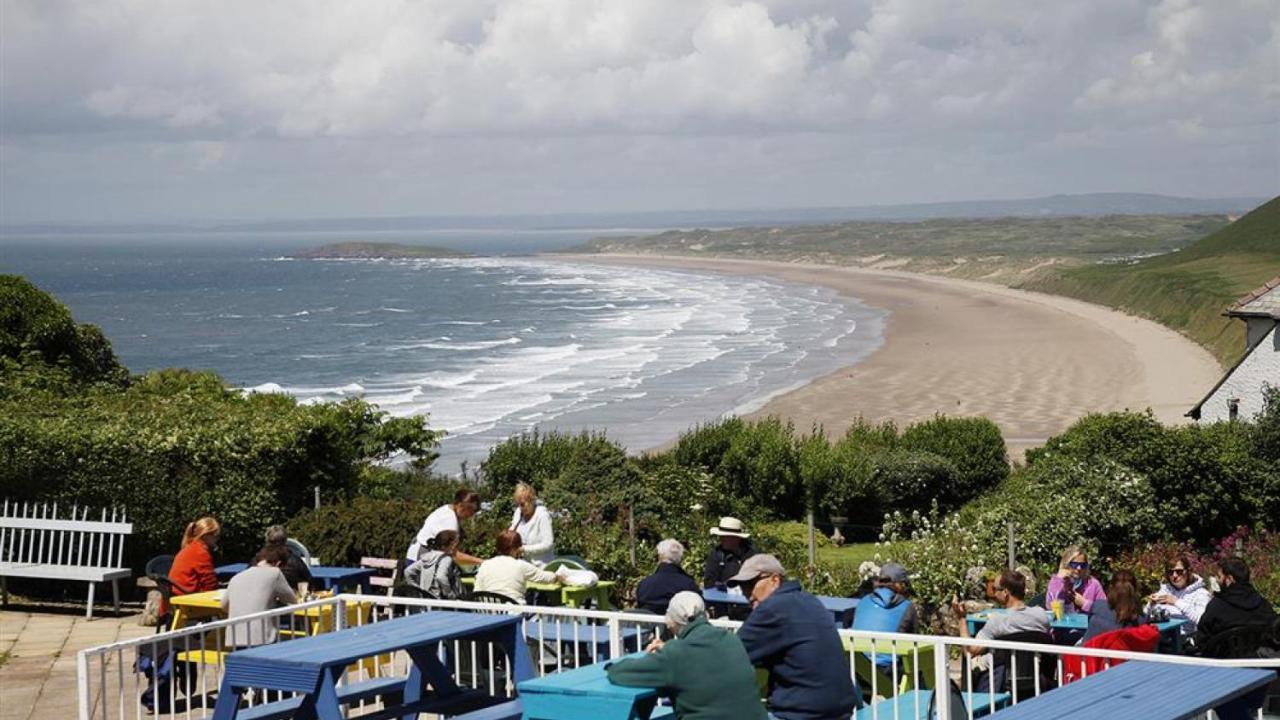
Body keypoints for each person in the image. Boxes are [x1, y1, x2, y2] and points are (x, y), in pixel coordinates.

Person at [731, 555, 857, 720]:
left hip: (801, 713)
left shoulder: (773, 608)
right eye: (742, 587)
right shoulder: (810, 600)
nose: (746, 593)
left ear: (774, 580)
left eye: (750, 584)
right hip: (840, 711)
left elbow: (731, 655)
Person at [607, 592, 768, 720]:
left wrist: (612, 666)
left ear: (672, 622)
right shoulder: (731, 640)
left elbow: (620, 673)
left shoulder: (675, 653)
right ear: (705, 614)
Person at [954, 569, 1052, 657]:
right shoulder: (1041, 615)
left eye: (994, 589)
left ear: (1005, 592)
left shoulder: (997, 621)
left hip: (1003, 675)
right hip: (1035, 673)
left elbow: (970, 651)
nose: (993, 593)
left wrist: (961, 619)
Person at [222, 543, 297, 647]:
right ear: (278, 563)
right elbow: (292, 599)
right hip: (262, 637)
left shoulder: (237, 577)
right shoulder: (274, 573)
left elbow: (224, 605)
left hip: (235, 637)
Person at [1195, 557, 1278, 648]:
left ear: (1229, 579)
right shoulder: (1263, 605)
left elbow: (1202, 640)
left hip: (1222, 660)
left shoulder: (1217, 606)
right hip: (1259, 660)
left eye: (1219, 576)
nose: (1217, 581)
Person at [852, 562, 920, 673]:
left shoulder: (863, 602)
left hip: (856, 669)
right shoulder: (907, 607)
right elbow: (915, 642)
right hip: (886, 672)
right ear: (900, 585)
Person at [473, 529, 564, 604]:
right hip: (514, 617)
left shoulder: (485, 565)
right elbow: (546, 578)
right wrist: (558, 576)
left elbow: (477, 591)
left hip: (488, 616)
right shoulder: (520, 565)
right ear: (514, 548)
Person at [406, 489, 483, 566]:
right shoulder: (450, 522)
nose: (473, 514)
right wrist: (482, 562)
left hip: (417, 554)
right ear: (461, 506)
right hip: (420, 559)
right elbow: (453, 554)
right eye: (472, 510)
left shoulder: (447, 509)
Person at [1145, 555, 1212, 635]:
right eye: (1170, 572)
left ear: (1188, 571)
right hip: (1160, 638)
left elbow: (1201, 620)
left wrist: (1176, 602)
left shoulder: (1201, 594)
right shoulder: (1165, 590)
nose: (1175, 576)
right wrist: (1151, 605)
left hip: (1186, 641)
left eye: (1179, 572)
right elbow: (1145, 617)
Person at [636, 539, 700, 615]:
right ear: (680, 559)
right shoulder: (688, 585)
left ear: (660, 557)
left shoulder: (644, 585)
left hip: (649, 626)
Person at [1083, 570, 1146, 643]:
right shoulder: (1142, 620)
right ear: (1135, 590)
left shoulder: (1098, 607)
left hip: (1091, 652)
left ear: (1111, 588)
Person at [168, 517, 221, 598]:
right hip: (187, 598)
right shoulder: (200, 553)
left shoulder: (189, 547)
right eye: (216, 535)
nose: (217, 539)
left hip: (176, 596)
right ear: (205, 535)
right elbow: (210, 584)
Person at [404, 529, 464, 600]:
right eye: (456, 546)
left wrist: (418, 589)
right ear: (451, 546)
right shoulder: (446, 559)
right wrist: (450, 594)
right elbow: (441, 577)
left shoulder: (427, 557)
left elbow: (408, 572)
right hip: (443, 602)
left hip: (427, 599)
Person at [1045, 546, 1105, 615]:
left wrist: (1084, 603)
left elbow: (1104, 611)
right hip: (1062, 624)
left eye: (1083, 565)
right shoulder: (1057, 582)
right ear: (1066, 564)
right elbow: (1050, 607)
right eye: (1075, 564)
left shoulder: (1093, 584)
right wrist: (1059, 581)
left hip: (1087, 625)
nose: (1079, 568)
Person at [702, 517, 756, 589]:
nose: (722, 539)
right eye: (721, 536)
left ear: (737, 538)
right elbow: (709, 582)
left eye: (726, 537)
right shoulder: (716, 555)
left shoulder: (752, 555)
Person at [509, 483, 555, 565]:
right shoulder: (518, 512)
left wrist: (524, 549)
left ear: (532, 500)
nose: (520, 507)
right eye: (518, 504)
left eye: (523, 504)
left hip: (542, 565)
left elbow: (548, 544)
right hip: (523, 563)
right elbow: (512, 530)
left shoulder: (542, 515)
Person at [253, 524, 311, 588]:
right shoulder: (296, 562)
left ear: (267, 541)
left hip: (263, 596)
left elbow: (247, 578)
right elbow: (309, 582)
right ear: (285, 541)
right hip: (290, 596)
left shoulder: (257, 560)